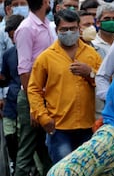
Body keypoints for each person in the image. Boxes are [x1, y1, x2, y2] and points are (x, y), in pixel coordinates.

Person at [28, 9, 102, 163]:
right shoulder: (46, 57)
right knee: (64, 170)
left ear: (79, 29)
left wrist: (90, 73)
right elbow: (34, 89)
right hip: (59, 128)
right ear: (56, 30)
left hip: (87, 126)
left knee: (86, 170)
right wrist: (43, 117)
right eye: (64, 29)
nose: (69, 32)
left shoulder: (91, 54)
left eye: (73, 29)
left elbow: (103, 82)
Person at [14, 0, 55, 176]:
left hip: (49, 94)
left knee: (45, 149)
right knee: (27, 149)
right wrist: (34, 104)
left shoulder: (48, 25)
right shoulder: (27, 28)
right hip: (32, 97)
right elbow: (24, 69)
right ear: (45, 0)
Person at [0, 14, 24, 174]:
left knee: (24, 141)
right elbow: (5, 78)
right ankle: (14, 165)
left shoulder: (38, 53)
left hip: (26, 108)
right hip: (10, 105)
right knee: (10, 138)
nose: (15, 40)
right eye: (11, 38)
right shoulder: (9, 54)